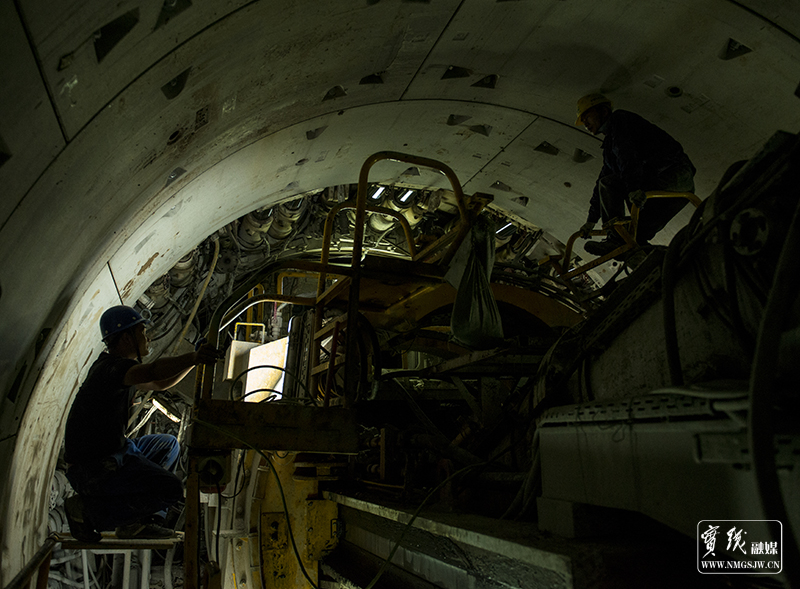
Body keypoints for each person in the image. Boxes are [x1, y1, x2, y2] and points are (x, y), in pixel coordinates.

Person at [63, 305, 222, 541]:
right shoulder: (113, 369)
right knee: (171, 489)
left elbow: (160, 384)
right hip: (94, 470)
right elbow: (154, 371)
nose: (147, 337)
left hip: (112, 453)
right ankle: (87, 512)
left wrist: (194, 363)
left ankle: (136, 523)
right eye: (142, 332)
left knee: (167, 445)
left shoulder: (117, 369)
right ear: (127, 338)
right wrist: (193, 356)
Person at [575, 93, 696, 256]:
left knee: (610, 184)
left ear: (603, 111)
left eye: (587, 117)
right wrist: (591, 221)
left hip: (672, 173)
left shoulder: (620, 121)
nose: (585, 124)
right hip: (678, 193)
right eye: (582, 121)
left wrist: (633, 188)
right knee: (634, 235)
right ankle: (639, 252)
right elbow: (601, 183)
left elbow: (628, 156)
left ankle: (615, 238)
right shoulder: (609, 150)